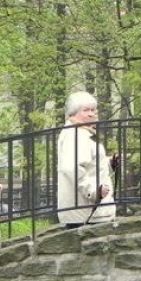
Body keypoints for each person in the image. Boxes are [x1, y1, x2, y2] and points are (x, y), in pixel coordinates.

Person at [56, 92, 115, 228]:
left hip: (89, 211)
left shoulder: (82, 133)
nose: (91, 114)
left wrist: (109, 163)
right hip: (85, 212)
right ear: (72, 114)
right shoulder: (74, 135)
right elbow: (72, 168)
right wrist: (93, 191)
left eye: (93, 110)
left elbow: (89, 166)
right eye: (86, 110)